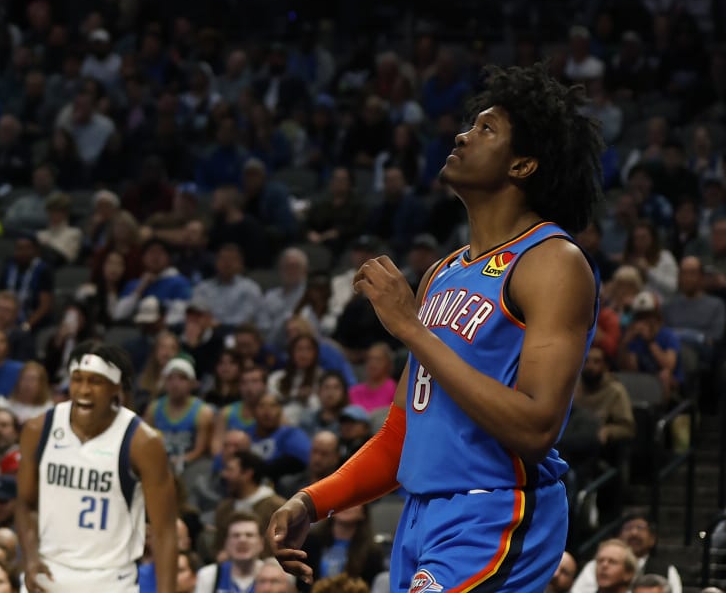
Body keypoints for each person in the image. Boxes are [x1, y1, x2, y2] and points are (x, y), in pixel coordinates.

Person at [271, 66, 602, 593]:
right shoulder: (442, 273)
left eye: (487, 129)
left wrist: (410, 328)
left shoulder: (552, 262)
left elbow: (537, 428)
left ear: (523, 164)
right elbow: (402, 436)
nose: (463, 134)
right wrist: (314, 500)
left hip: (495, 509)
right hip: (420, 518)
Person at [18, 342, 178, 593]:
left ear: (116, 388)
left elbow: (165, 530)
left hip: (111, 580)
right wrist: (29, 558)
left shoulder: (142, 442)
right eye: (77, 379)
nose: (84, 390)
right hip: (48, 574)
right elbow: (25, 504)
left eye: (96, 381)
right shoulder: (39, 430)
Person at [151, 357, 215, 473]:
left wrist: (179, 461)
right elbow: (145, 442)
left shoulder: (203, 412)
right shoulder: (154, 408)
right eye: (170, 378)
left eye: (182, 378)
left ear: (193, 383)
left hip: (191, 467)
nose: (175, 384)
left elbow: (201, 450)